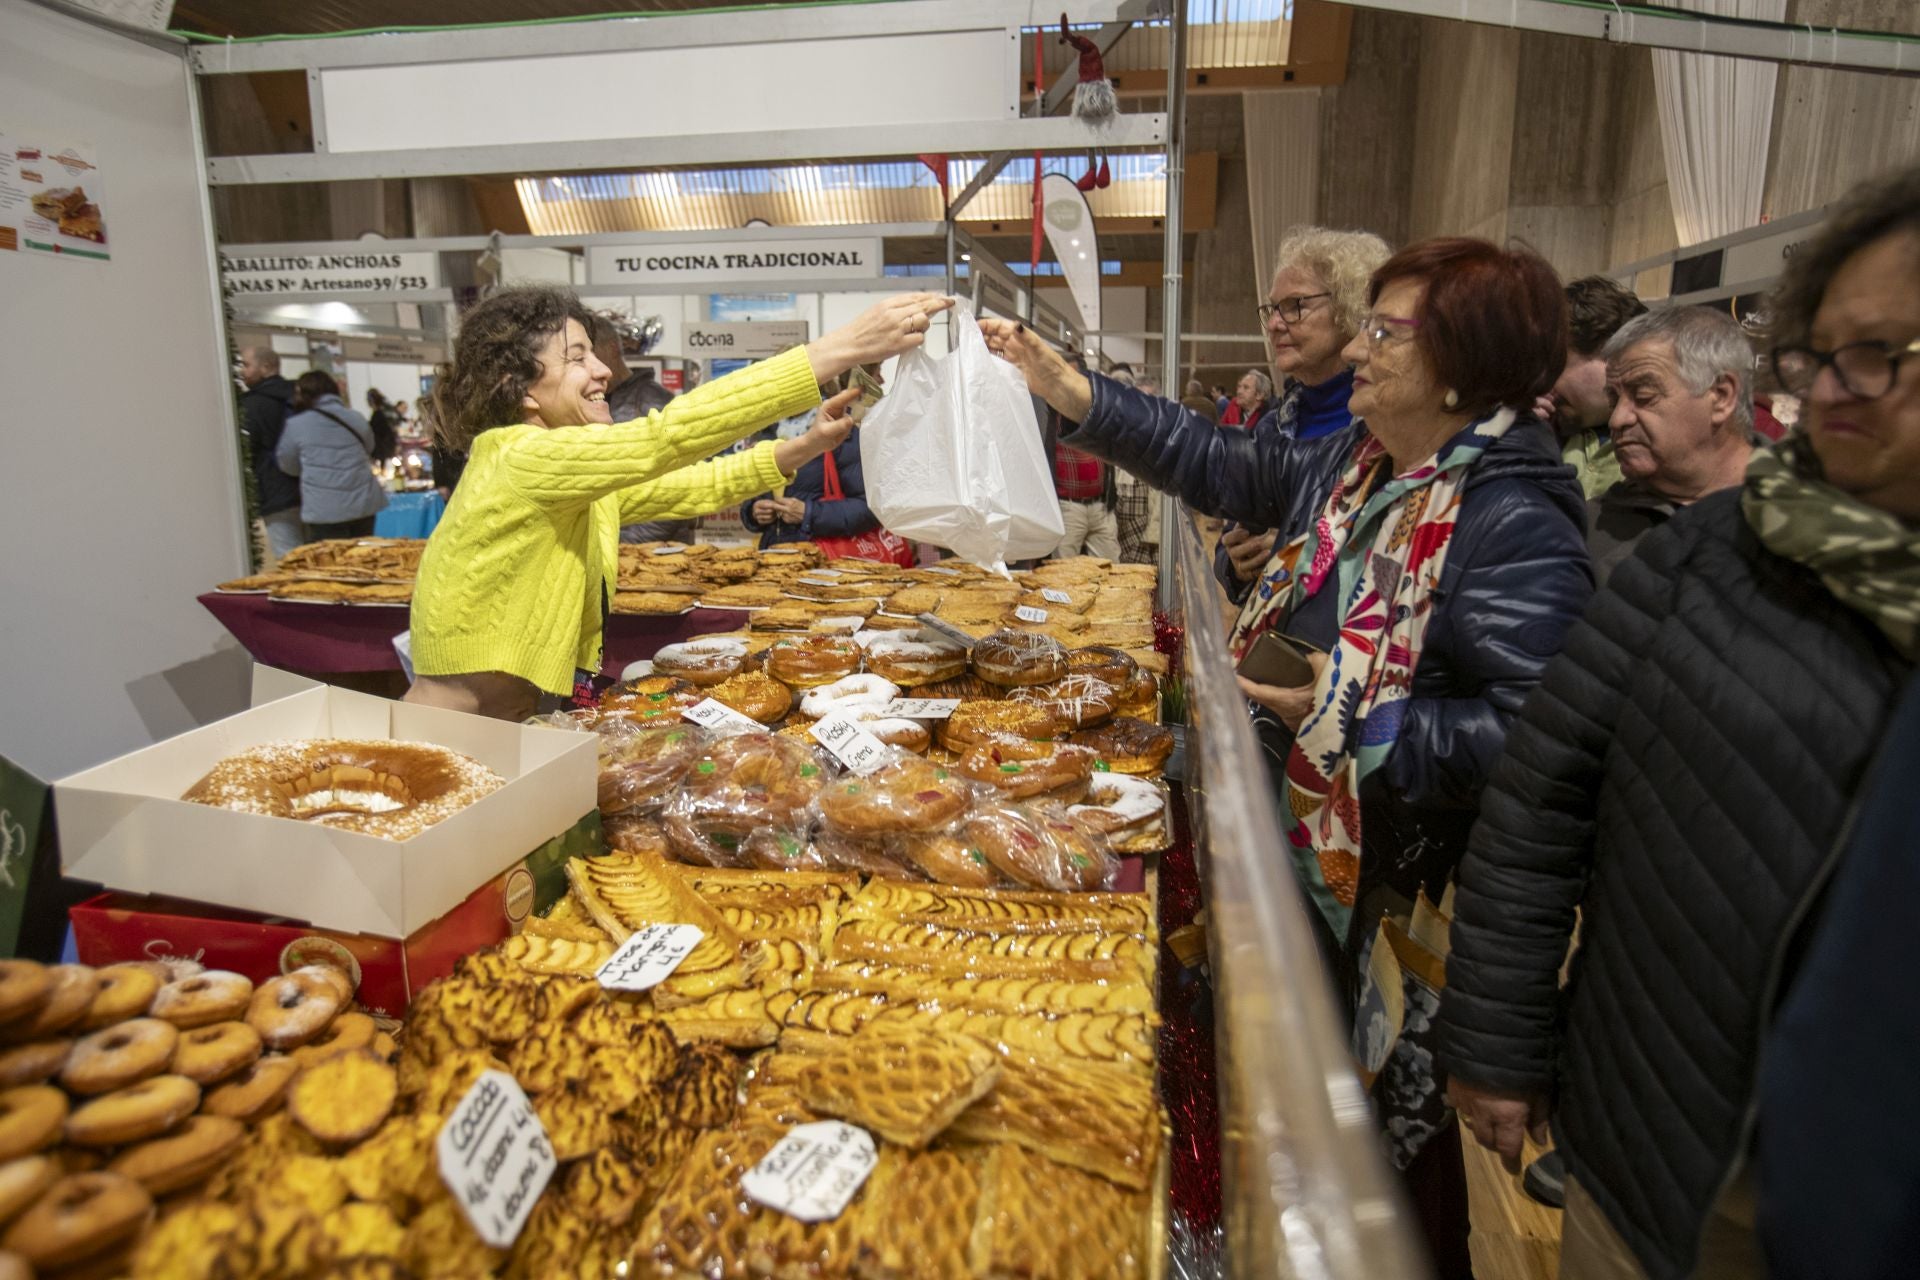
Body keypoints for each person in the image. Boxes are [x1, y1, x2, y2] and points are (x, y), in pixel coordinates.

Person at [983, 239, 1594, 1278]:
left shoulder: (1511, 517)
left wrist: (1358, 712)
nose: (1360, 346)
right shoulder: (1356, 469)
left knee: (1374, 1168)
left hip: (1386, 901)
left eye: (1386, 331)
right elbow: (1217, 461)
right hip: (1298, 860)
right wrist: (1071, 388)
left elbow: (1541, 734)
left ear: (1463, 361)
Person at [1439, 163, 1919, 1280]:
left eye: (1885, 355)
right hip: (1659, 1149)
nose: (1840, 387)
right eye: (1824, 352)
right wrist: (1501, 1039)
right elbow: (1545, 786)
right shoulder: (1711, 553)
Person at [405, 285, 950, 722]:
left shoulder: (565, 475)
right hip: (460, 722)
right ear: (520, 387)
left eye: (595, 354)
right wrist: (844, 346)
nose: (602, 371)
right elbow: (667, 437)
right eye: (576, 358)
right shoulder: (521, 456)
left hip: (507, 712)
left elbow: (692, 486)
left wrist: (800, 448)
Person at [1214, 226, 1392, 601]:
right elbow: (1232, 536)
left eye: (1296, 306)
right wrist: (1234, 564)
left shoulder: (1385, 434)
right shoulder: (1271, 427)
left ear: (1350, 308)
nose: (1276, 324)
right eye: (1273, 309)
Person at [1586, 305, 1757, 585]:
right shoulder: (1587, 529)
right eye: (1614, 400)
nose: (1617, 420)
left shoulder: (1806, 524)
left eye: (1644, 396)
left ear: (1722, 396)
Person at [1539, 275, 1645, 499]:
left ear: (1610, 353)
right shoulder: (1547, 429)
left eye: (1556, 363)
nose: (1543, 382)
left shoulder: (1655, 443)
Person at [739, 422, 887, 552]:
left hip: (826, 566)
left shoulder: (839, 430)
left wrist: (809, 513)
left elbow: (872, 508)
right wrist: (753, 511)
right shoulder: (765, 431)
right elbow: (752, 494)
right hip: (774, 561)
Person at [277, 371, 389, 541]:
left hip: (324, 507)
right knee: (365, 558)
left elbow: (287, 464)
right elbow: (369, 448)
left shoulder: (296, 425)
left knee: (331, 563)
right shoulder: (355, 418)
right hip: (363, 502)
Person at [237, 345, 303, 562]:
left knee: (290, 561)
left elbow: (248, 448)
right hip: (312, 489)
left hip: (275, 492)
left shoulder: (252, 405)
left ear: (266, 367)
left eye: (246, 365)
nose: (241, 372)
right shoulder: (301, 397)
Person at [364, 388, 401, 466]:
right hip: (388, 445)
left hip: (382, 448)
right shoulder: (387, 411)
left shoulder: (378, 415)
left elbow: (377, 432)